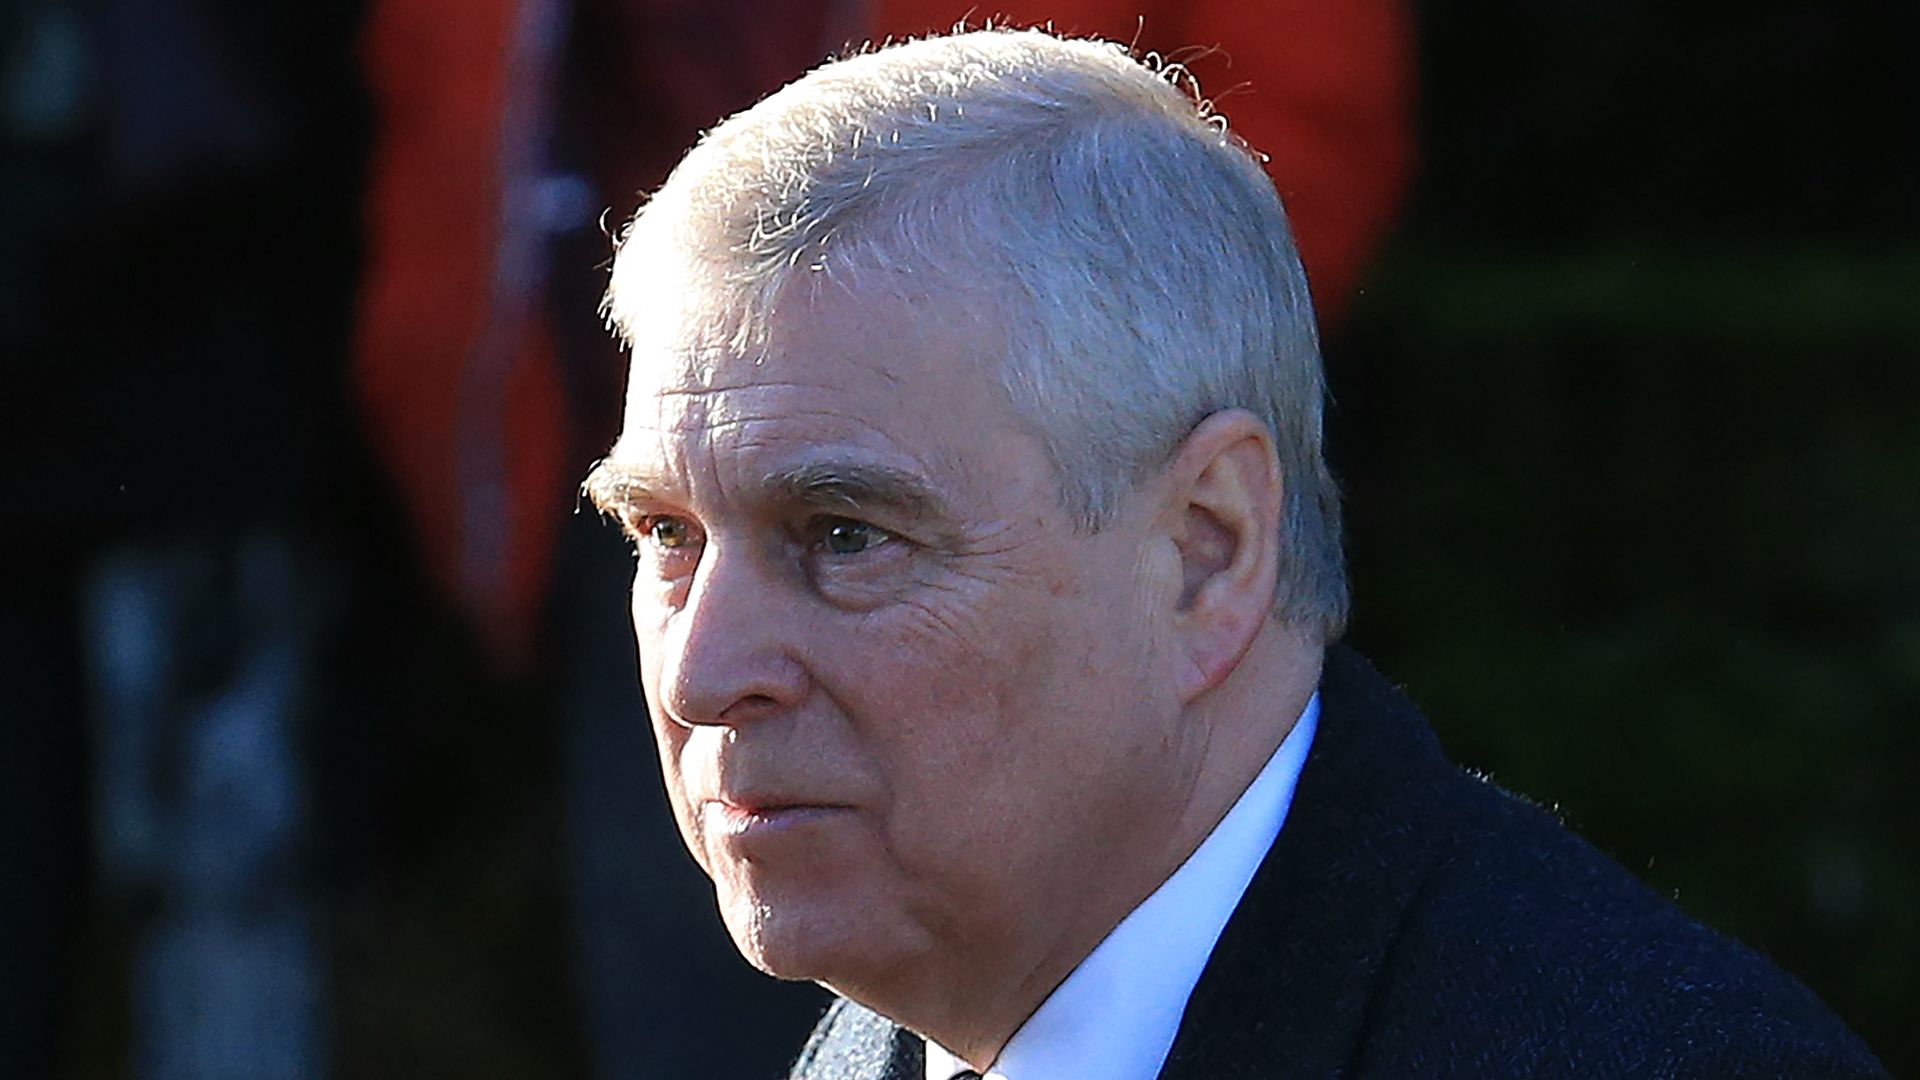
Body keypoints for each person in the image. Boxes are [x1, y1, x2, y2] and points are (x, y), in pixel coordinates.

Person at [582, 28, 1886, 1080]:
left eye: (844, 535)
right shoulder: (890, 1040)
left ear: (1206, 551)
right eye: (667, 534)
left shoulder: (1646, 1054)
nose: (702, 674)